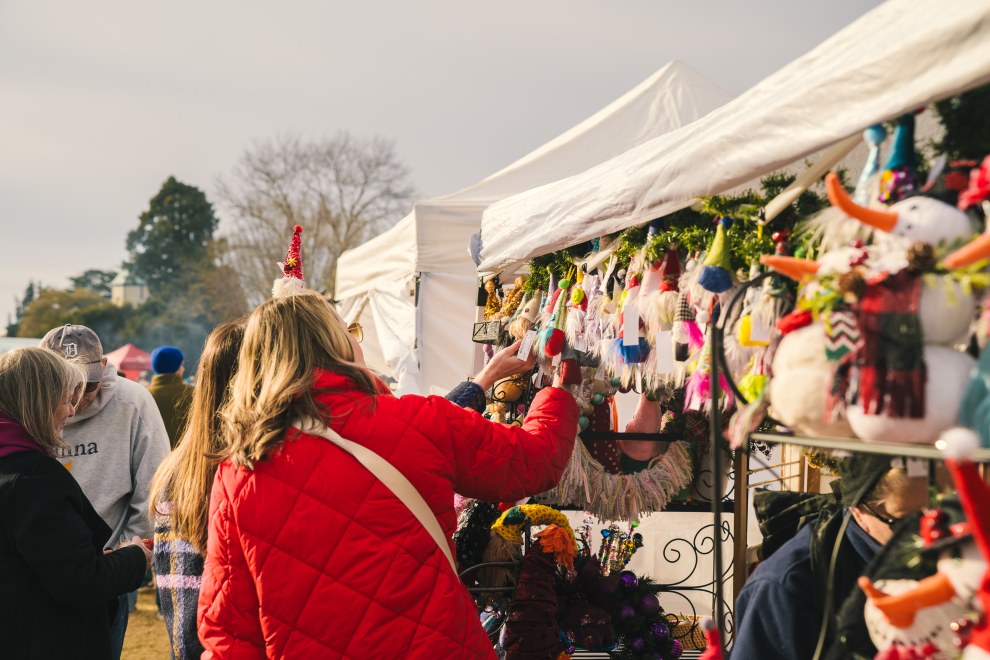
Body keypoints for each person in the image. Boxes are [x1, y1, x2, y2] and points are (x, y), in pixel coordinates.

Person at [196, 290, 579, 658]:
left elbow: (230, 634)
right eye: (349, 330)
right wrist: (556, 392)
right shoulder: (419, 421)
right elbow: (535, 461)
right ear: (337, 346)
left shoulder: (237, 472)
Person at [0, 347, 151, 659]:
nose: (71, 412)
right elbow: (79, 582)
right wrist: (135, 557)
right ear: (39, 402)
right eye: (65, 400)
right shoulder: (35, 479)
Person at [40, 323, 171, 659]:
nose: (78, 396)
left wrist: (130, 551)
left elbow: (155, 485)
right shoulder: (27, 406)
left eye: (87, 384)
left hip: (110, 564)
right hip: (40, 564)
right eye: (67, 384)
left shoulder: (133, 402)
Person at [732, 455, 930, 660]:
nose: (930, 534)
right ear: (858, 510)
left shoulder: (949, 548)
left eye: (938, 515)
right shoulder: (785, 586)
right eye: (908, 524)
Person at [147, 345, 194, 449]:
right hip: (186, 457)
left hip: (153, 459)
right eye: (182, 365)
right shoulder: (192, 393)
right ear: (177, 367)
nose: (183, 369)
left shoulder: (144, 395)